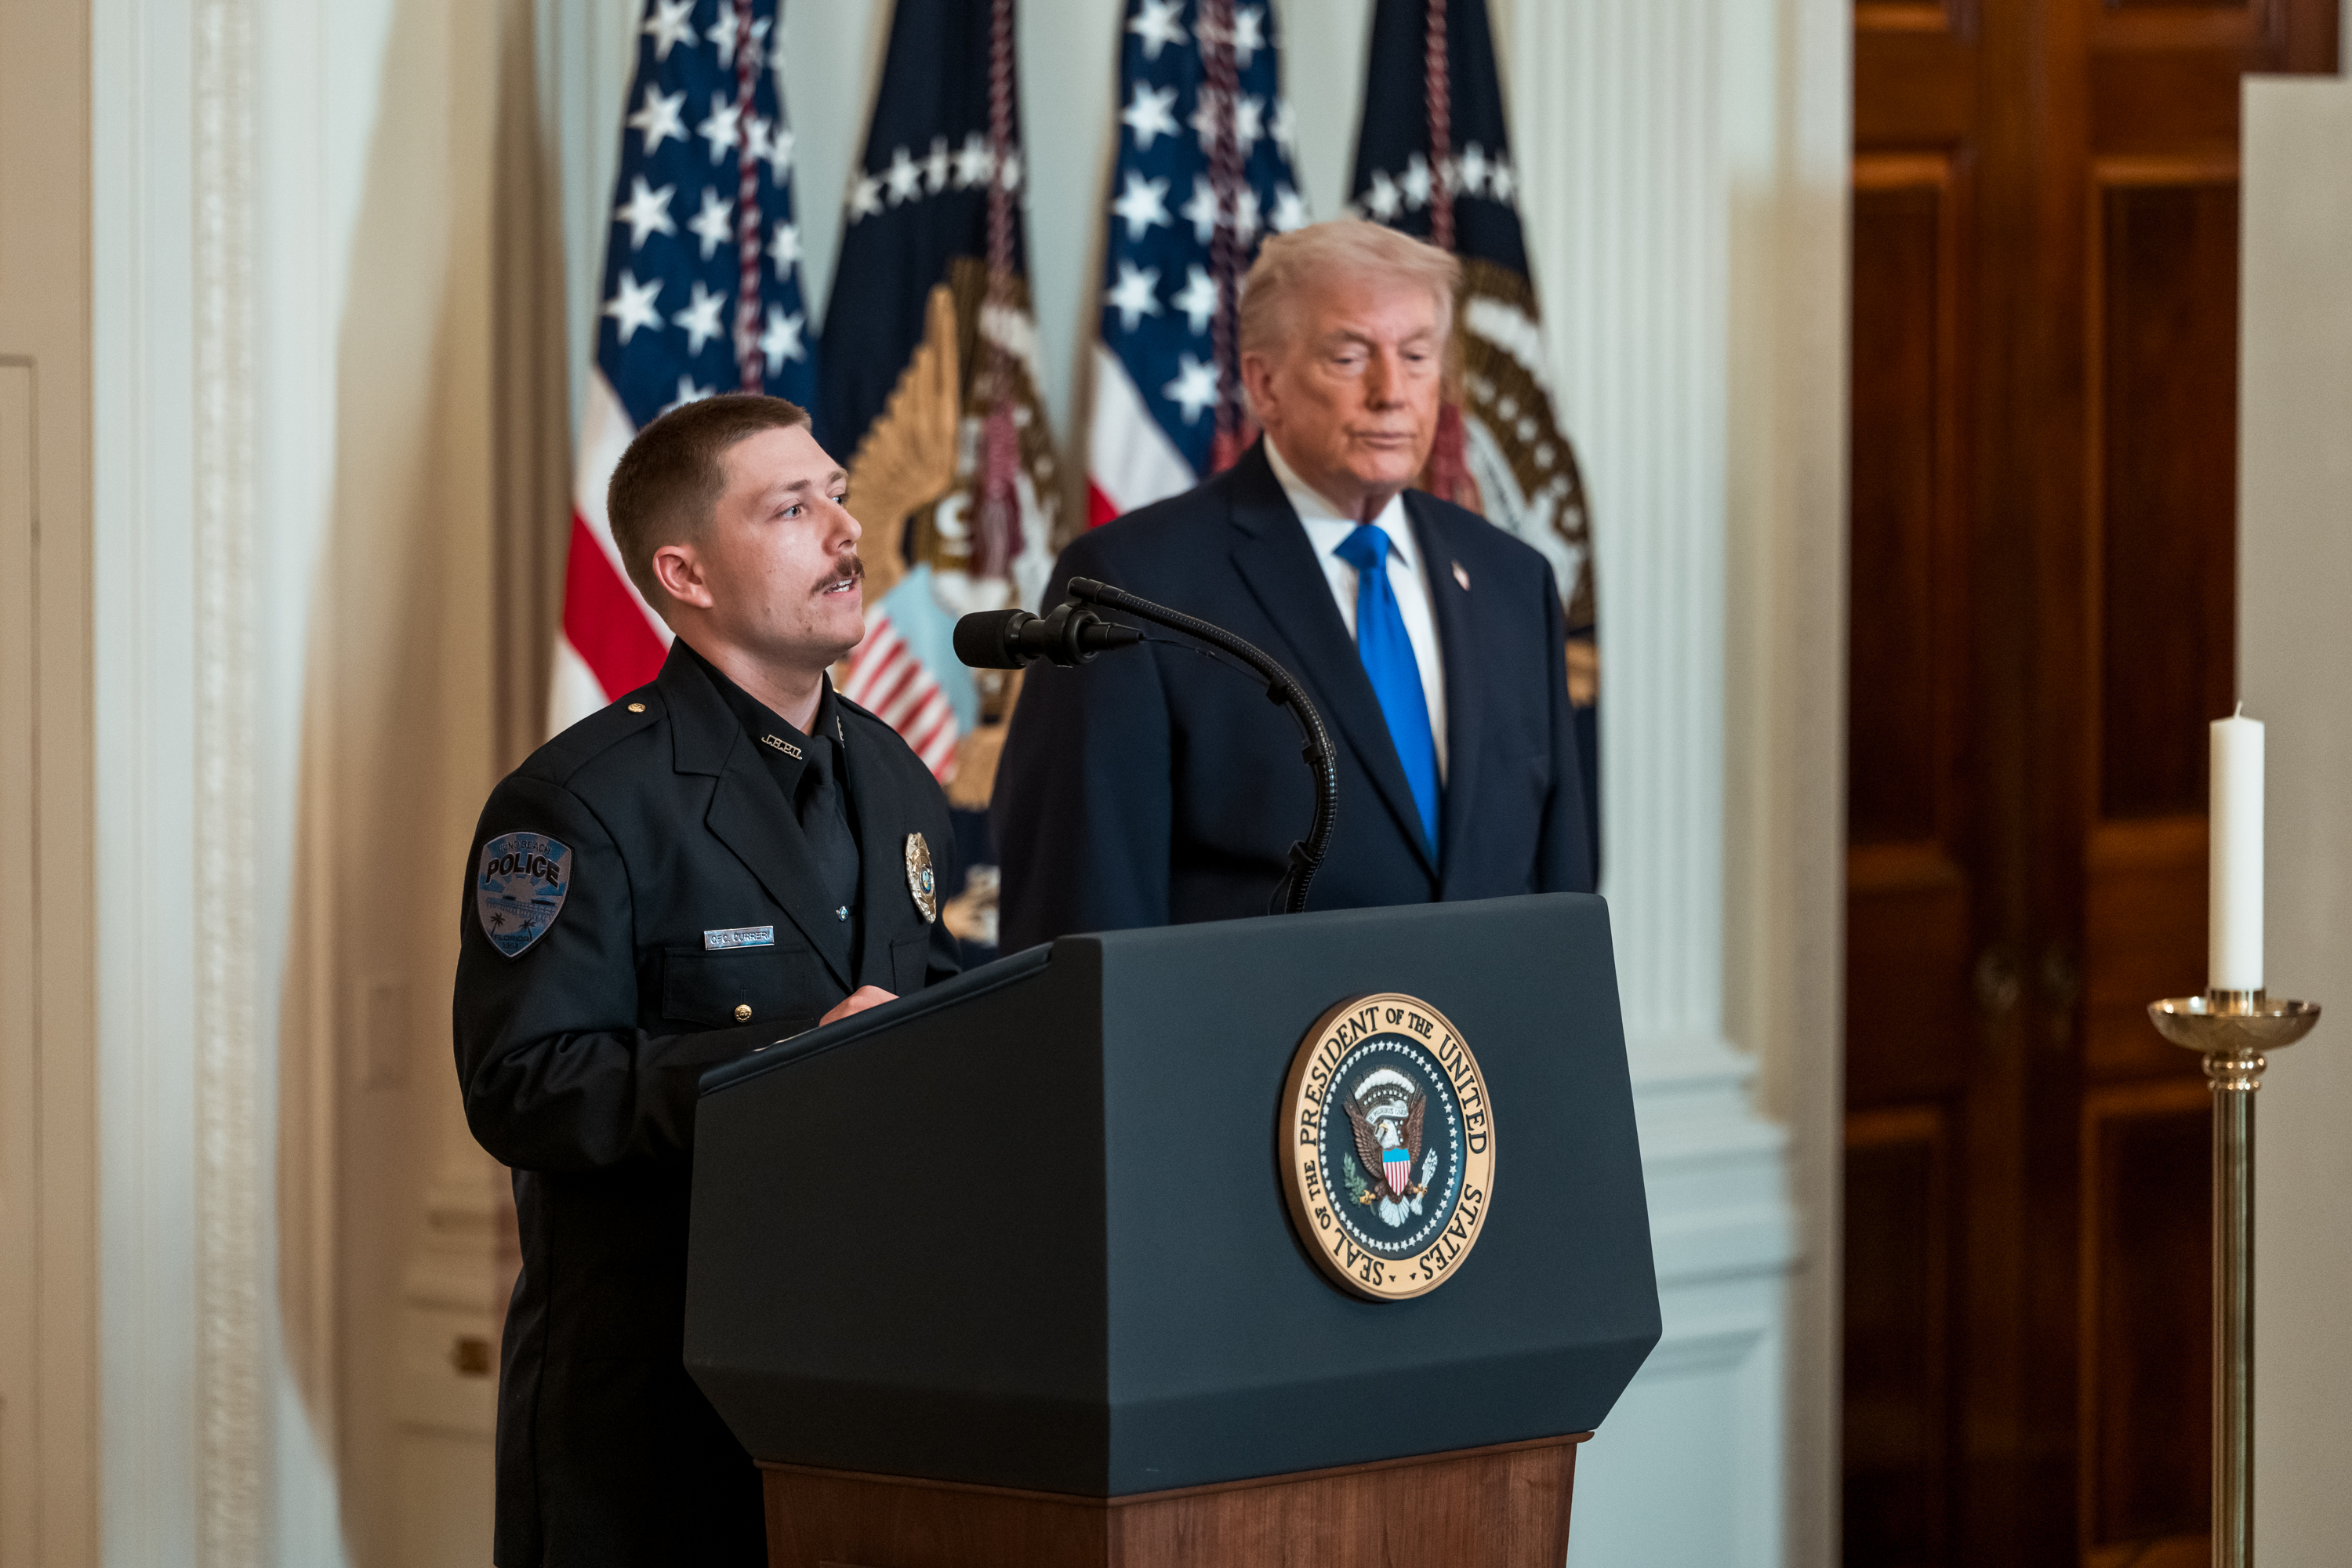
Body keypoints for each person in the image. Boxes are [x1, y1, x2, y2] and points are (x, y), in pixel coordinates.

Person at [452, 394, 960, 1567]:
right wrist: (794, 1062)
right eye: (793, 507)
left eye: (839, 492)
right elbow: (524, 1086)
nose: (845, 529)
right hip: (652, 1423)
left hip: (871, 1392)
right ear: (683, 571)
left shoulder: (892, 775)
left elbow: (935, 1025)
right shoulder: (581, 802)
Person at [993, 220, 1593, 950]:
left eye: (1416, 356)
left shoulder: (1511, 580)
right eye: (1350, 357)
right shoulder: (1132, 585)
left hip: (1480, 1056)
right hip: (1253, 1058)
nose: (1391, 393)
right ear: (1265, 384)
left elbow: (1560, 892)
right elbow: (1083, 915)